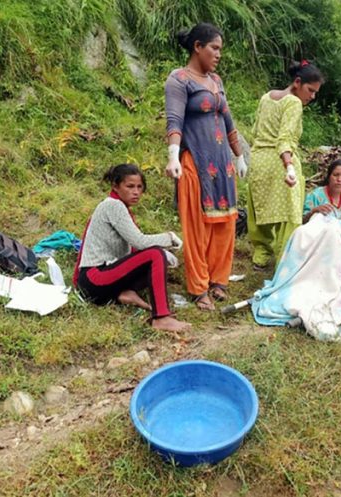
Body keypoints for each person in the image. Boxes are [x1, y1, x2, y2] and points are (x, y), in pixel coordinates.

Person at [164, 23, 247, 310]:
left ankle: (218, 280)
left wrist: (239, 155)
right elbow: (174, 120)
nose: (218, 54)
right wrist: (173, 155)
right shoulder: (179, 80)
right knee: (197, 226)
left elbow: (228, 119)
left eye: (220, 49)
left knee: (225, 222)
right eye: (214, 48)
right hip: (195, 163)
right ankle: (199, 288)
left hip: (223, 164)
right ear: (197, 47)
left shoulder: (216, 80)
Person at [73, 164, 191, 333]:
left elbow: (134, 248)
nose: (136, 192)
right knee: (155, 254)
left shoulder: (120, 207)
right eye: (130, 186)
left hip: (104, 277)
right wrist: (169, 238)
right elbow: (139, 241)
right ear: (115, 186)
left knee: (157, 257)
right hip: (94, 278)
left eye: (139, 187)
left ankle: (122, 294)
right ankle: (161, 317)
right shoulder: (113, 205)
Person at [247, 60, 324, 269]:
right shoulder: (293, 102)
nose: (312, 96)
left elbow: (255, 131)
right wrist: (289, 166)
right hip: (281, 162)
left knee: (259, 211)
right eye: (310, 90)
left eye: (316, 92)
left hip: (259, 160)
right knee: (289, 215)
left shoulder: (266, 97)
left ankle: (261, 254)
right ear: (297, 82)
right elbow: (285, 139)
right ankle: (287, 261)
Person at [303, 158, 341, 223]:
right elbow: (303, 222)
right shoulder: (315, 195)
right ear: (329, 176)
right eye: (336, 175)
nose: (339, 179)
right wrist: (314, 211)